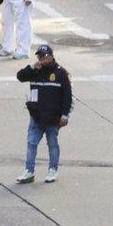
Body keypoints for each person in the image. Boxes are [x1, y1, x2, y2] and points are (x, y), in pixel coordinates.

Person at [15, 44, 72, 184]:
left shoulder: (60, 73)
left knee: (52, 143)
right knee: (31, 143)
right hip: (36, 115)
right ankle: (29, 171)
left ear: (51, 57)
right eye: (39, 56)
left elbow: (67, 97)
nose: (41, 59)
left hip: (53, 116)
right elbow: (20, 76)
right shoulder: (35, 71)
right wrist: (33, 67)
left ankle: (53, 170)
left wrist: (65, 115)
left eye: (44, 56)